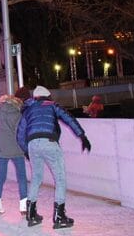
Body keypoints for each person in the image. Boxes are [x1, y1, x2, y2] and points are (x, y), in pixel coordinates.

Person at [17, 86, 91, 229]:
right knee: (60, 178)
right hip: (49, 141)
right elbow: (69, 118)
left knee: (36, 178)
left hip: (32, 144)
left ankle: (31, 214)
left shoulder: (28, 109)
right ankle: (59, 216)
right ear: (48, 96)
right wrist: (82, 136)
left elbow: (20, 133)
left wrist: (26, 150)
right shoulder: (52, 105)